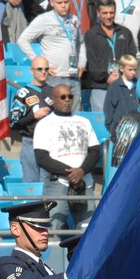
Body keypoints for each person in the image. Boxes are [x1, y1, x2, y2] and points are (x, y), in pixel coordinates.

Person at [33, 83, 100, 234]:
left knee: (87, 232)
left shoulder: (84, 122)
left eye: (70, 96)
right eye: (63, 97)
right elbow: (42, 158)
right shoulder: (44, 124)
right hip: (57, 184)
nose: (67, 100)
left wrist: (81, 171)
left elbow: (95, 151)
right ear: (53, 99)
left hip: (85, 184)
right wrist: (71, 173)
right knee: (51, 232)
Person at [17, 0, 86, 114]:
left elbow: (81, 43)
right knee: (54, 115)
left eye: (66, 2)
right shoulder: (43, 20)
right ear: (52, 2)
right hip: (54, 77)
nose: (63, 5)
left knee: (73, 115)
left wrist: (82, 63)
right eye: (59, 3)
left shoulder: (74, 20)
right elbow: (23, 40)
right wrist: (40, 63)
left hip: (73, 76)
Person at [84, 0, 136, 113]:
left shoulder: (125, 32)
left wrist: (123, 76)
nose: (108, 16)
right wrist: (107, 77)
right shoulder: (91, 34)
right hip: (101, 87)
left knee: (124, 122)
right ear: (98, 13)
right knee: (102, 123)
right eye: (105, 13)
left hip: (123, 85)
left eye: (111, 13)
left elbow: (131, 56)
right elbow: (91, 63)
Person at [9, 56, 54, 182]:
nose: (43, 72)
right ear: (31, 71)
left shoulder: (55, 92)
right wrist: (34, 116)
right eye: (39, 69)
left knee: (48, 186)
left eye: (46, 69)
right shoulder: (22, 93)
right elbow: (13, 123)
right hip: (30, 142)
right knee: (31, 183)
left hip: (50, 144)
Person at [103, 53, 138, 134]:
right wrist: (111, 127)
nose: (133, 72)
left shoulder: (138, 85)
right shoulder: (114, 87)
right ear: (121, 69)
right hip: (119, 130)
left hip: (136, 128)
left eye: (135, 70)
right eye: (130, 69)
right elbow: (108, 108)